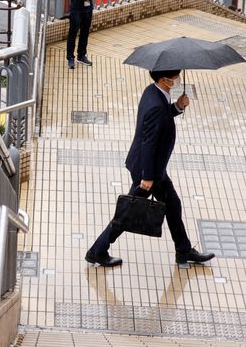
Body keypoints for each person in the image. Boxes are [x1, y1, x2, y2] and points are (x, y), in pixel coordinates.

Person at [85, 70, 215, 268]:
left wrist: (177, 107)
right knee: (128, 212)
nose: (177, 79)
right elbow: (149, 142)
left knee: (172, 205)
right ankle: (97, 250)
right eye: (175, 76)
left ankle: (183, 250)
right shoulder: (155, 104)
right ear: (164, 80)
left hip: (154, 168)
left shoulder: (153, 92)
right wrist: (147, 176)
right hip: (149, 171)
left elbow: (161, 119)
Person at [65, 0, 94, 69]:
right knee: (73, 33)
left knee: (85, 32)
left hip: (88, 7)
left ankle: (81, 55)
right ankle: (70, 58)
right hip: (76, 8)